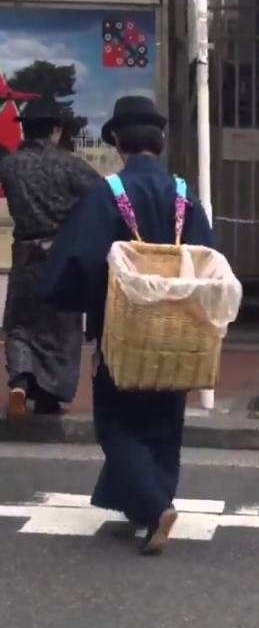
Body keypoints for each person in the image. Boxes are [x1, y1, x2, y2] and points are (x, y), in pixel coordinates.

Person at [40, 96, 213, 555]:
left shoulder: (107, 193)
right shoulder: (184, 194)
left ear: (116, 140)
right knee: (164, 418)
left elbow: (80, 259)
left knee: (115, 423)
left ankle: (154, 507)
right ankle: (149, 500)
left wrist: (72, 302)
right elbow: (208, 258)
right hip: (177, 333)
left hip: (123, 332)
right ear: (160, 140)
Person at [0, 98, 98, 419]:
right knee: (60, 329)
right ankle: (49, 398)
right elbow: (101, 199)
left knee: (20, 325)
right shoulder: (70, 165)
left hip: (24, 254)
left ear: (25, 129)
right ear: (56, 130)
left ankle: (20, 381)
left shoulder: (10, 166)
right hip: (60, 256)